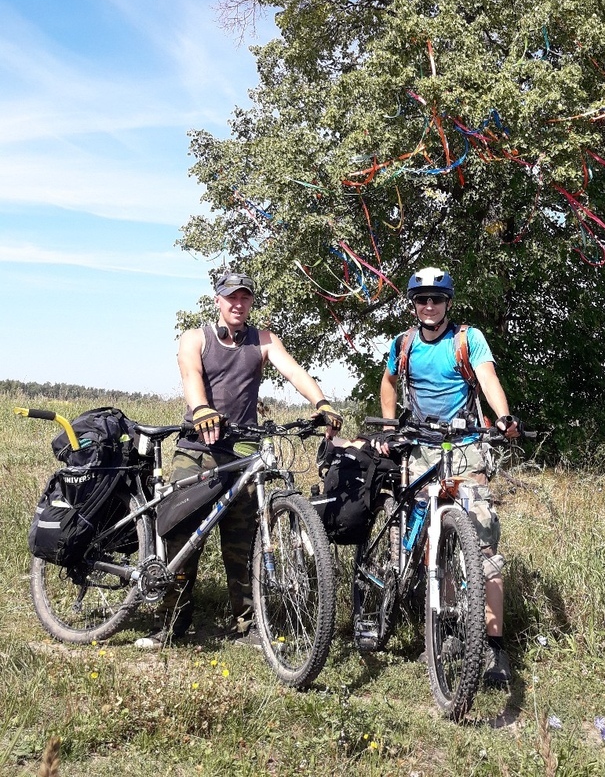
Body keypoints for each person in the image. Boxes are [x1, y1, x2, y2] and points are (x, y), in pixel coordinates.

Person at [135, 269, 342, 649]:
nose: (238, 304)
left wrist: (322, 402)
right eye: (231, 297)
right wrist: (200, 409)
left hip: (243, 451)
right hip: (197, 449)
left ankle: (247, 623)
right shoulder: (195, 338)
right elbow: (191, 376)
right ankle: (172, 621)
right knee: (184, 535)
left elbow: (294, 370)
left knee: (242, 541)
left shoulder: (263, 340)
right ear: (218, 300)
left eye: (244, 297)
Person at [378, 267, 520, 687]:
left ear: (447, 303)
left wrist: (504, 416)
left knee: (481, 546)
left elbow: (488, 378)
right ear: (413, 304)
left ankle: (494, 647)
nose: (428, 306)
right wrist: (390, 428)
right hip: (418, 453)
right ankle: (450, 631)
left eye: (435, 299)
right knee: (428, 545)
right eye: (421, 299)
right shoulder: (403, 344)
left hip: (465, 449)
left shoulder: (467, 339)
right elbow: (387, 383)